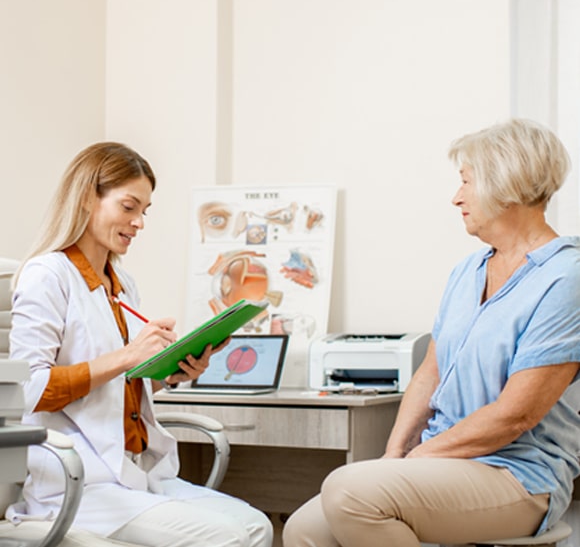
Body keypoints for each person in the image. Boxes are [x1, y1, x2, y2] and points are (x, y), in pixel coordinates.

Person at [283, 118, 580, 547]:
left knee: (351, 494)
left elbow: (517, 415)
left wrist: (418, 457)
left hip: (518, 475)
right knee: (304, 529)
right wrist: (393, 456)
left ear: (505, 181)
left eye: (466, 182)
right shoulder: (467, 271)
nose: (456, 197)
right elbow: (430, 374)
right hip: (443, 462)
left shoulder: (565, 276)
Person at [7, 142, 273, 547]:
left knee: (258, 527)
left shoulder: (123, 285)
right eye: (129, 207)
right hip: (77, 483)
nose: (139, 223)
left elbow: (120, 388)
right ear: (85, 198)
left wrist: (173, 373)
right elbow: (30, 390)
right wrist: (130, 354)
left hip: (135, 472)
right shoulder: (48, 274)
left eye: (144, 211)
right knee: (227, 538)